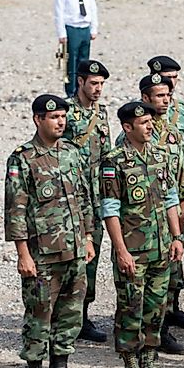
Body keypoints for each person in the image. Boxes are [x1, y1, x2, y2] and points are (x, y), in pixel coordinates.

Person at [5, 94, 95, 368]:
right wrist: (22, 254)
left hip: (73, 251)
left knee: (70, 315)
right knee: (39, 315)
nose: (61, 122)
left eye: (63, 117)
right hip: (41, 255)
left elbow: (84, 198)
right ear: (38, 120)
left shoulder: (72, 152)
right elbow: (16, 209)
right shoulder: (23, 158)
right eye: (54, 117)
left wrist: (87, 236)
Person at [100, 101, 184, 368]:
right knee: (130, 308)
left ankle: (150, 362)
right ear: (127, 127)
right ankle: (130, 366)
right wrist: (121, 250)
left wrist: (176, 236)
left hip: (161, 248)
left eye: (151, 121)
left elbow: (171, 198)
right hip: (133, 250)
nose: (150, 126)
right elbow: (110, 209)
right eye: (144, 123)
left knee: (156, 307)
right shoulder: (114, 161)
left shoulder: (160, 155)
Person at [131, 73, 184, 354]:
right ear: (145, 98)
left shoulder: (172, 131)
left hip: (172, 211)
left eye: (167, 95)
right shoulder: (133, 133)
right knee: (144, 283)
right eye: (159, 96)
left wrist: (183, 203)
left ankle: (163, 327)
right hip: (144, 220)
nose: (165, 100)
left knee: (169, 271)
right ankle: (143, 337)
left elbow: (179, 171)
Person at [147, 55, 184, 334]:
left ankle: (173, 306)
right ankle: (159, 319)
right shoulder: (141, 118)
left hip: (178, 194)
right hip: (153, 201)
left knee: (177, 249)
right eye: (167, 79)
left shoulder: (181, 110)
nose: (172, 85)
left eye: (175, 79)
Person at [63, 59, 111, 343]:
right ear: (80, 82)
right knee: (71, 256)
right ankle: (67, 315)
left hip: (96, 196)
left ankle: (83, 315)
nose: (98, 89)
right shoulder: (65, 113)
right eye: (93, 83)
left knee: (92, 255)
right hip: (73, 195)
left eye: (101, 84)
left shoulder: (102, 115)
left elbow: (106, 157)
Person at [54, 0, 97, 96]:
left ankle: (82, 90)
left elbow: (92, 9)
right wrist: (61, 33)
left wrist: (94, 28)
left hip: (84, 27)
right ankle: (70, 91)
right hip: (72, 28)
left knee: (84, 62)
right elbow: (59, 13)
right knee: (71, 62)